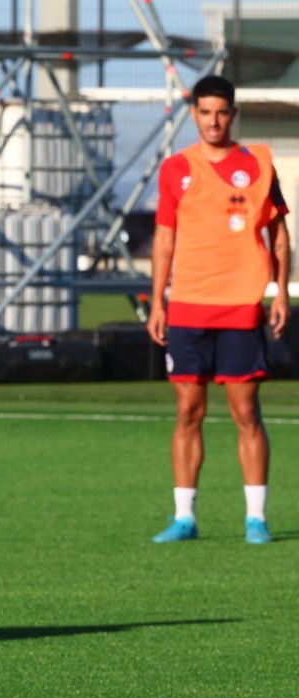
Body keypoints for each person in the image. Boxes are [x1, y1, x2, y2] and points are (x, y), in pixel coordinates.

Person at [147, 74, 290, 545]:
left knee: (245, 411)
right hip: (187, 305)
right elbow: (165, 238)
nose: (214, 121)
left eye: (222, 112)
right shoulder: (175, 169)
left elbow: (279, 234)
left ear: (233, 114)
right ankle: (184, 516)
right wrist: (159, 300)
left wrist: (280, 292)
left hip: (241, 304)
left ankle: (256, 518)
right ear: (194, 113)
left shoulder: (259, 164)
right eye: (205, 112)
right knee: (188, 409)